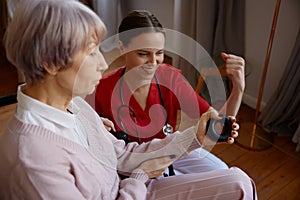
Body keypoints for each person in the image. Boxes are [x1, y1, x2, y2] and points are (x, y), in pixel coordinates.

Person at [0, 1, 257, 199]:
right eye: (91, 53)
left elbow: (122, 154)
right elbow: (131, 166)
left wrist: (195, 137)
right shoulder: (34, 159)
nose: (103, 64)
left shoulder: (75, 106)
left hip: (133, 183)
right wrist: (140, 176)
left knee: (239, 182)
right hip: (131, 188)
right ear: (51, 63)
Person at [95, 10, 245, 175]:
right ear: (122, 48)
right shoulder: (102, 90)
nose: (153, 62)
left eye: (159, 53)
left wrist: (238, 89)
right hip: (136, 164)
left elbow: (216, 125)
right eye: (143, 53)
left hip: (172, 147)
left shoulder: (170, 78)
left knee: (223, 173)